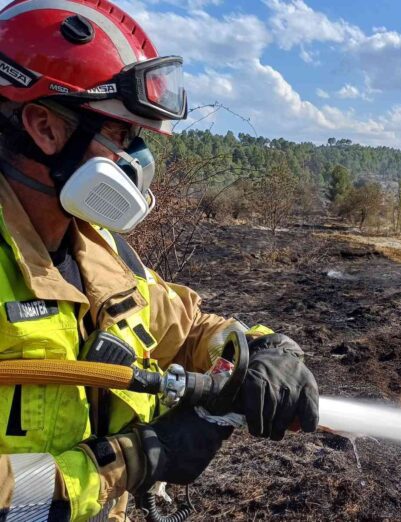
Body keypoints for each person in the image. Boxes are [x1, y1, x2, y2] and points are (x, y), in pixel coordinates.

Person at [0, 1, 319, 520]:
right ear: (45, 127)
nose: (139, 162)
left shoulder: (99, 250)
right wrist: (130, 462)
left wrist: (261, 347)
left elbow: (186, 325)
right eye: (124, 136)